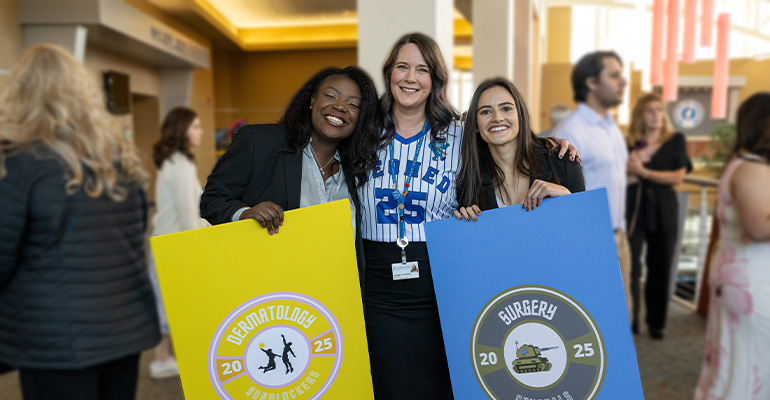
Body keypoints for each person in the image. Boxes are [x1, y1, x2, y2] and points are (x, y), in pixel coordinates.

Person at [359, 33, 578, 399]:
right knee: (385, 382)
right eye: (402, 67)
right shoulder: (362, 132)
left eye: (422, 69)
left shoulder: (459, 133)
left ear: (435, 81)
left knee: (447, 381)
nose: (410, 77)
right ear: (388, 73)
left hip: (441, 277)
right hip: (376, 283)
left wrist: (552, 144)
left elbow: (503, 134)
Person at [0, 44, 159, 400]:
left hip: (57, 338)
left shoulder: (18, 162)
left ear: (20, 94)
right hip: (124, 328)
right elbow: (136, 238)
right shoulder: (118, 158)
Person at [200, 67, 382, 279]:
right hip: (271, 294)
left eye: (353, 105)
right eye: (331, 96)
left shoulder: (358, 168)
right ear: (312, 100)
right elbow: (211, 199)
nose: (340, 107)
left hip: (333, 297)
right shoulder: (258, 142)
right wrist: (244, 213)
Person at [694, 93, 770, 400]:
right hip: (750, 283)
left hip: (742, 278)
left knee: (738, 366)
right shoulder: (752, 168)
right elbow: (759, 226)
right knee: (748, 368)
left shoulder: (746, 164)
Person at [552, 50, 633, 319]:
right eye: (614, 75)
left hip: (618, 236)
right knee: (597, 321)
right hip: (590, 243)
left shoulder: (611, 127)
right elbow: (558, 203)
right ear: (591, 82)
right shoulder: (570, 132)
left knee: (621, 320)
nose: (623, 82)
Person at [454, 78, 584, 221]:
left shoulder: (563, 160)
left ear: (520, 115)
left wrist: (567, 197)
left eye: (506, 109)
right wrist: (465, 224)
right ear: (476, 125)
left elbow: (589, 229)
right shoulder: (469, 183)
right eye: (485, 112)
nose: (497, 118)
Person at [148, 107, 211, 378]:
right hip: (175, 246)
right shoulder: (181, 166)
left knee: (166, 304)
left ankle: (163, 358)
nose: (201, 132)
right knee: (173, 306)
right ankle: (164, 360)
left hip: (165, 243)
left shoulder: (173, 162)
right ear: (182, 131)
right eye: (196, 127)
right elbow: (189, 217)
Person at [624, 93, 690, 339]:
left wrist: (644, 172)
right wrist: (635, 169)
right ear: (640, 115)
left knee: (661, 263)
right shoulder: (629, 143)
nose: (656, 115)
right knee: (630, 266)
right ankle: (630, 321)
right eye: (650, 110)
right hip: (633, 204)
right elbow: (622, 176)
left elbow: (678, 177)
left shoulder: (676, 141)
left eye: (659, 110)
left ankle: (656, 322)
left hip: (663, 206)